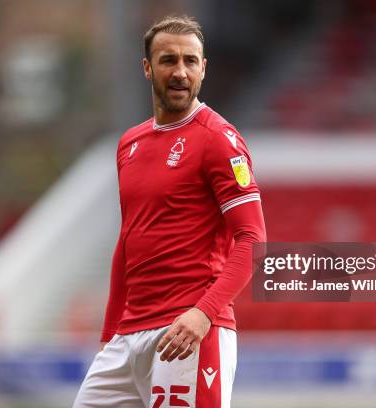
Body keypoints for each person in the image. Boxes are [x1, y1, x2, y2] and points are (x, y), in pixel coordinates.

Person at [73, 15, 266, 408]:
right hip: (128, 338)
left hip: (187, 332)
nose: (180, 72)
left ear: (204, 68)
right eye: (168, 60)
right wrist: (110, 334)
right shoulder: (130, 144)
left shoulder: (219, 140)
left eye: (190, 61)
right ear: (147, 67)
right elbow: (127, 244)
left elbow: (253, 239)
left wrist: (203, 314)